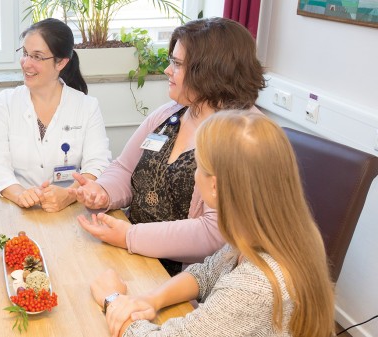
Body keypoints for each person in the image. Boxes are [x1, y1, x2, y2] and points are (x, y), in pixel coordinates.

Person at [90, 111, 336, 337]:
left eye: (198, 165)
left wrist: (113, 300)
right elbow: (206, 273)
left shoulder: (253, 286)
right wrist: (152, 299)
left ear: (215, 186)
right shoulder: (271, 233)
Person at [73, 17, 266, 275]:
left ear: (209, 71)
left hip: (189, 279)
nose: (167, 70)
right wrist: (102, 191)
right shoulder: (169, 115)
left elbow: (215, 233)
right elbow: (124, 168)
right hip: (135, 252)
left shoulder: (243, 136)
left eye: (176, 64)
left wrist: (131, 236)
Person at [0, 18, 111, 212]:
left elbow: (97, 164)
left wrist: (68, 195)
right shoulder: (5, 103)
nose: (26, 63)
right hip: (12, 206)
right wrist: (20, 194)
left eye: (37, 56)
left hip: (69, 208)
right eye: (25, 53)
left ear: (61, 62)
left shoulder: (86, 106)